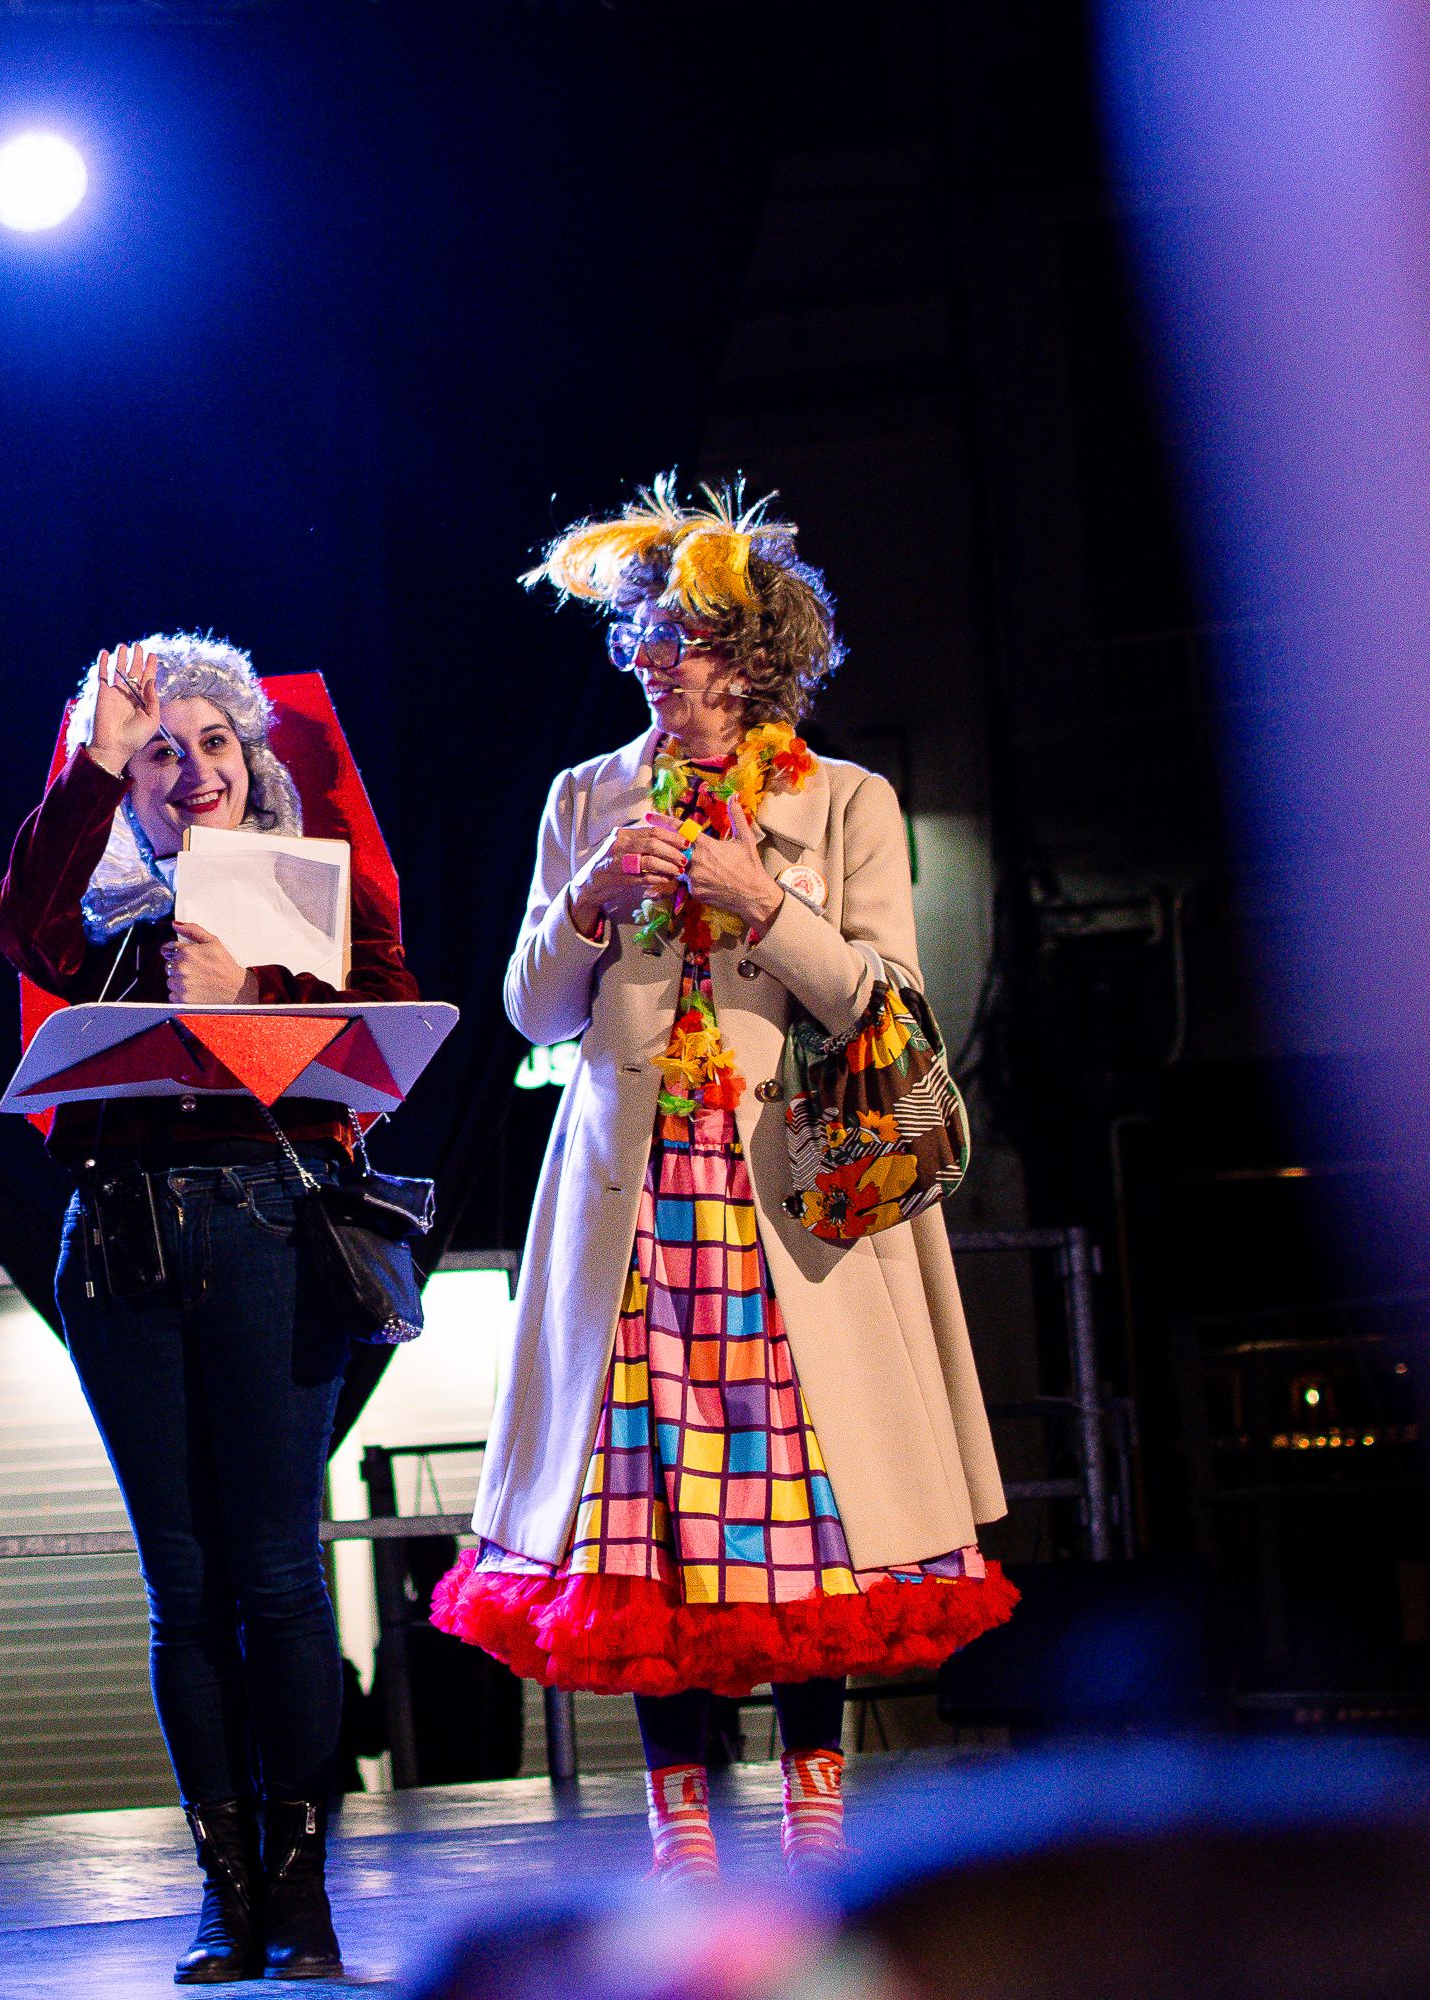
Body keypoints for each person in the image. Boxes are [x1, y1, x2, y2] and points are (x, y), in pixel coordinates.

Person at [434, 479, 1015, 1883]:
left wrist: (764, 901)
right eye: (642, 644)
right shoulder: (590, 795)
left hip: (787, 1208)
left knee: (802, 1505)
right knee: (651, 1516)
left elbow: (891, 1001)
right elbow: (527, 1009)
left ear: (755, 661)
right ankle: (678, 1818)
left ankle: (818, 1801)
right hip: (635, 1207)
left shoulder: (846, 800)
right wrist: (584, 906)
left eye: (681, 644)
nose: (655, 669)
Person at [0, 633, 420, 1983]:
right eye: (163, 749)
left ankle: (300, 1891)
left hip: (269, 1226)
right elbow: (18, 929)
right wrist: (98, 759)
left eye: (211, 743)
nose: (191, 770)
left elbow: (394, 1024)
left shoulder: (306, 883)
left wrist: (258, 997)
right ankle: (221, 1890)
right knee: (182, 1589)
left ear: (251, 757)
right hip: (117, 1237)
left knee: (278, 1574)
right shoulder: (102, 894)